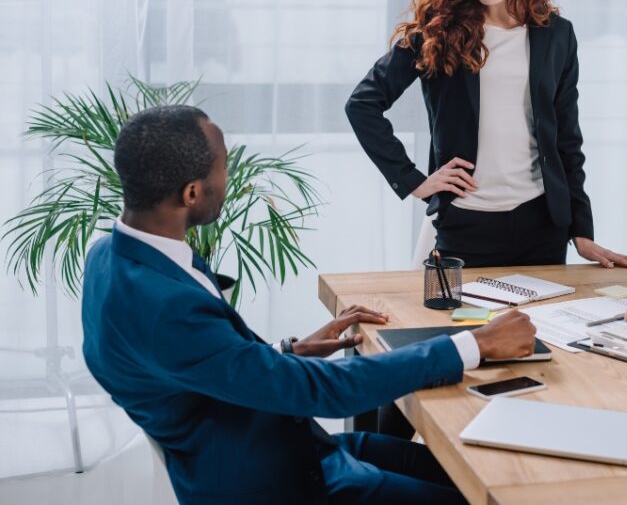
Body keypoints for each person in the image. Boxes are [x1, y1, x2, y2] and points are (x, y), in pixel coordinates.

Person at [81, 105, 537, 505]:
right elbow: (323, 392)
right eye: (223, 167)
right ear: (192, 193)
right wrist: (471, 345)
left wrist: (287, 355)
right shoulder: (164, 305)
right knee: (491, 492)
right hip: (276, 480)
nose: (229, 177)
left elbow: (196, 364)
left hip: (287, 443)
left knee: (484, 471)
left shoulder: (112, 256)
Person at [346, 0, 627, 270]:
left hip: (543, 224)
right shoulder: (437, 32)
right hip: (467, 224)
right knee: (465, 326)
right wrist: (412, 181)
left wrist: (581, 229)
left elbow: (567, 137)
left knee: (543, 328)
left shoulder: (557, 35)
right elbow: (362, 104)